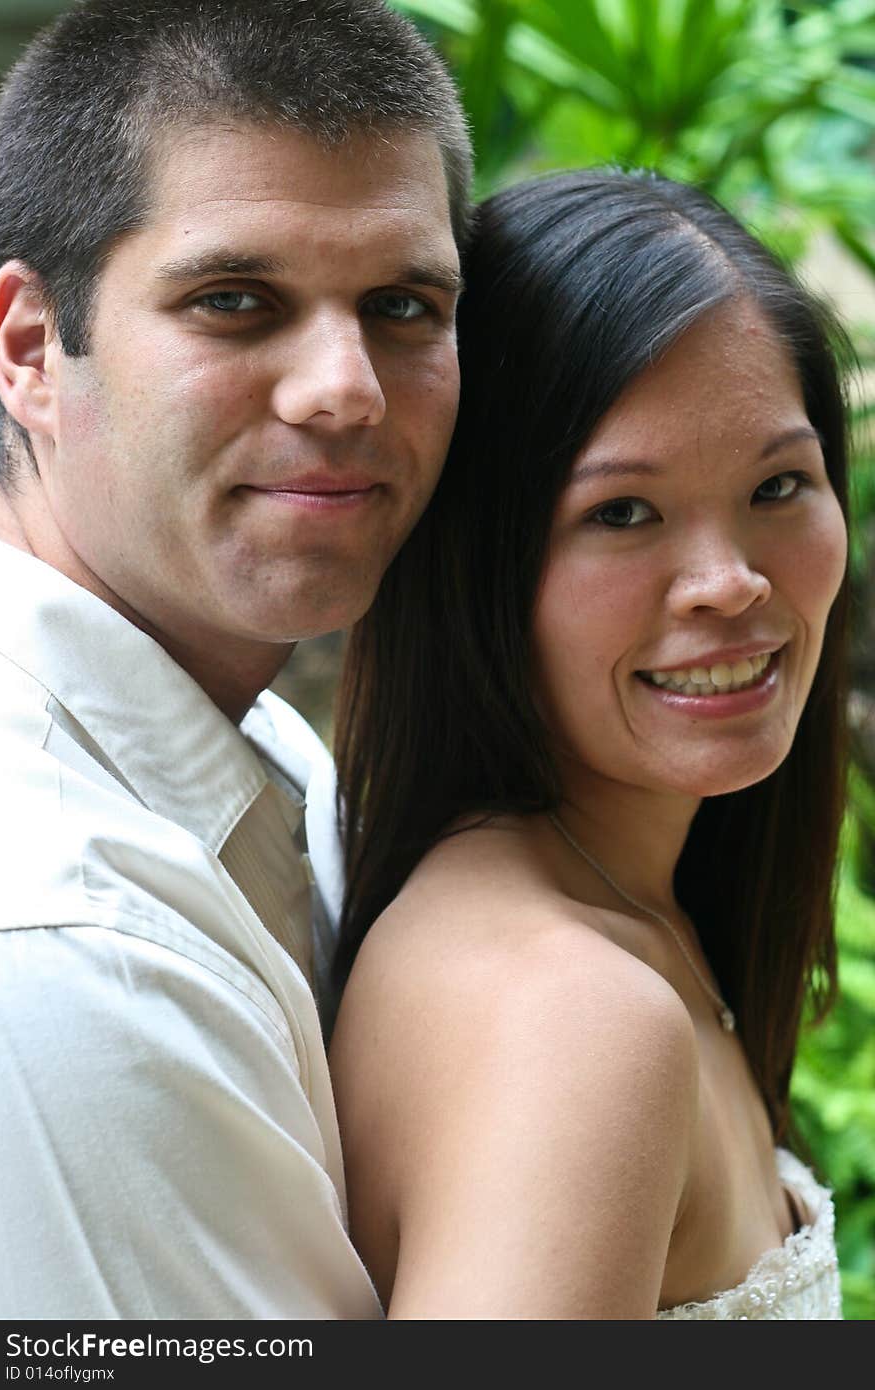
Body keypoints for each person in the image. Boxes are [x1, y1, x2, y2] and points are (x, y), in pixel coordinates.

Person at [0, 0, 470, 1319]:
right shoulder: (59, 940)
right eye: (236, 301)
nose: (344, 389)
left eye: (402, 306)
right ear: (31, 346)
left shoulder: (259, 748)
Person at [329, 169, 850, 1319]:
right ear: (479, 560)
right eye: (622, 512)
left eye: (778, 484)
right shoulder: (573, 1017)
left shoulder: (629, 906)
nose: (730, 583)